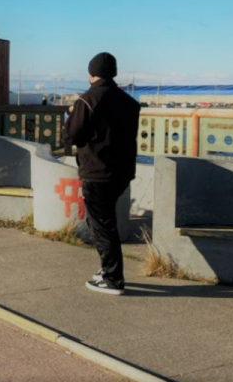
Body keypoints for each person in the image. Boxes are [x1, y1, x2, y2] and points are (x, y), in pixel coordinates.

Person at [64, 52, 140, 296]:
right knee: (101, 221)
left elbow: (73, 135)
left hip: (97, 172)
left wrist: (72, 114)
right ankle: (107, 269)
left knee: (102, 225)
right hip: (122, 172)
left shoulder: (87, 100)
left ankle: (112, 278)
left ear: (91, 73)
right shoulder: (129, 102)